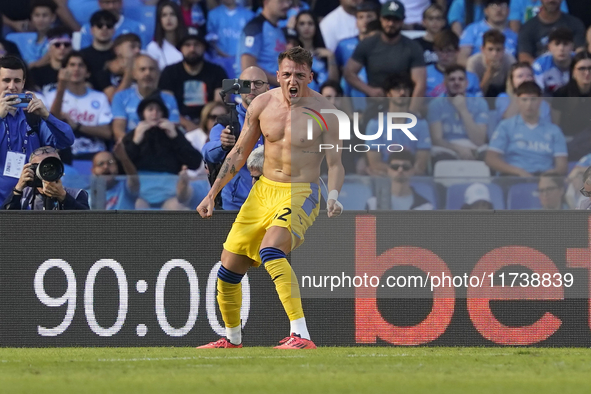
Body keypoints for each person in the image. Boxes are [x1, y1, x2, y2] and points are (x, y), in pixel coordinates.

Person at [196, 47, 345, 349]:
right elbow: (238, 153)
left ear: (310, 76)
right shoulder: (262, 105)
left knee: (271, 250)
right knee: (228, 267)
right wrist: (213, 193)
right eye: (287, 74)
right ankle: (232, 338)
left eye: (300, 75)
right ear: (277, 76)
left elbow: (336, 163)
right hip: (263, 191)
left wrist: (334, 194)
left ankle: (301, 334)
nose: (293, 80)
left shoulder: (326, 111)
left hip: (302, 190)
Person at [0, 56, 75, 203]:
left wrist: (47, 115)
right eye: (6, 80)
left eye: (17, 81)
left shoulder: (33, 116)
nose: (11, 86)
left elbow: (67, 140)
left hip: (30, 201)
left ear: (23, 83)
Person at [202, 66, 267, 210]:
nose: (252, 88)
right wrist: (222, 145)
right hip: (235, 206)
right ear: (238, 88)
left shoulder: (278, 120)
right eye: (246, 84)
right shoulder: (227, 121)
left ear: (267, 88)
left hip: (271, 203)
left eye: (258, 83)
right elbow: (207, 153)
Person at [122, 92, 202, 208]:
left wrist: (175, 137)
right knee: (137, 208)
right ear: (142, 113)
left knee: (176, 208)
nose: (155, 113)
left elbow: (195, 162)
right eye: (150, 109)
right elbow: (120, 166)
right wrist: (135, 141)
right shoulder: (133, 135)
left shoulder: (174, 134)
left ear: (164, 113)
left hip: (171, 192)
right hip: (140, 193)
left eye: (159, 110)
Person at [344, 1, 426, 100]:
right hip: (375, 105)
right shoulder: (368, 44)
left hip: (403, 103)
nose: (391, 23)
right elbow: (349, 72)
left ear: (402, 21)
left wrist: (411, 111)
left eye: (396, 20)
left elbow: (420, 84)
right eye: (387, 19)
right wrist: (369, 90)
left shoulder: (412, 47)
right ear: (381, 19)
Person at [486, 81, 567, 176]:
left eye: (533, 99)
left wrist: (545, 177)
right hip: (513, 178)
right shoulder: (505, 126)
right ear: (517, 101)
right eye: (524, 100)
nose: (529, 104)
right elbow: (490, 159)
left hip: (543, 181)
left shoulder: (554, 131)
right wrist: (518, 172)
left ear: (540, 100)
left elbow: (562, 167)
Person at [46, 51, 113, 161]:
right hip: (64, 155)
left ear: (88, 73)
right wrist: (61, 87)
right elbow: (52, 122)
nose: (76, 69)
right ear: (63, 71)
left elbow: (107, 132)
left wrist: (77, 126)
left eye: (81, 65)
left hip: (95, 155)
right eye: (72, 65)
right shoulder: (51, 96)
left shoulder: (100, 97)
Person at [159, 32, 226, 131]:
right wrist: (187, 124)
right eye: (187, 45)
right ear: (181, 48)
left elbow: (219, 104)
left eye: (196, 44)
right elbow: (167, 106)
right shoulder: (169, 72)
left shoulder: (217, 71)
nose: (192, 49)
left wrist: (204, 126)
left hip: (210, 124)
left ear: (204, 48)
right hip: (179, 125)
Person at [365, 74, 431, 175]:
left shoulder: (421, 124)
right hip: (384, 179)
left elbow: (421, 164)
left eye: (406, 89)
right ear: (388, 94)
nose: (402, 92)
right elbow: (375, 163)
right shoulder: (375, 124)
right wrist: (398, 172)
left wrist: (403, 173)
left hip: (413, 179)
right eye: (397, 89)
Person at [427, 65, 489, 161]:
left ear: (467, 83)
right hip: (447, 148)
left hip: (474, 146)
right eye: (452, 79)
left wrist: (463, 110)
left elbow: (479, 140)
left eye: (461, 79)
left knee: (487, 155)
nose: (457, 83)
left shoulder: (480, 103)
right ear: (445, 83)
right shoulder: (435, 105)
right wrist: (459, 149)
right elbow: (437, 139)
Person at [112, 54, 180, 140]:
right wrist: (132, 146)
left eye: (152, 69)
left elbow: (173, 130)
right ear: (134, 74)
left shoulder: (169, 99)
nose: (147, 73)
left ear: (158, 74)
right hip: (131, 147)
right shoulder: (120, 97)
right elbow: (118, 131)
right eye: (142, 69)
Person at [3, 146, 89, 210]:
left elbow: (87, 222)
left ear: (60, 168)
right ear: (31, 168)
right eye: (41, 166)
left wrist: (63, 196)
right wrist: (18, 188)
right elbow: (5, 223)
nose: (47, 170)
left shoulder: (76, 194)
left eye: (52, 166)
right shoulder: (23, 195)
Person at [236, 0, 289, 86]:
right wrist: (281, 82)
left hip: (275, 92)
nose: (287, 4)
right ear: (266, 2)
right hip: (256, 93)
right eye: (281, 1)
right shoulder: (255, 28)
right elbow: (248, 67)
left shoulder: (279, 30)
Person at [334, 2, 379, 99]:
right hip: (351, 96)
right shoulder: (343, 45)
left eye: (369, 16)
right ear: (356, 21)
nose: (365, 21)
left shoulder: (383, 44)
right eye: (361, 17)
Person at [551, 51, 591, 161]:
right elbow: (555, 126)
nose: (587, 72)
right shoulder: (561, 94)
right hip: (568, 142)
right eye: (582, 68)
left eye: (590, 68)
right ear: (573, 72)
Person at [517, 0, 585, 64]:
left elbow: (580, 53)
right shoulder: (528, 27)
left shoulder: (575, 24)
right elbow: (524, 57)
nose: (551, 0)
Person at [366, 150, 433, 210]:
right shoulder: (373, 202)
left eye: (405, 167)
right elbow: (362, 224)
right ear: (388, 170)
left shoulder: (425, 206)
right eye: (395, 167)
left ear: (412, 171)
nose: (400, 170)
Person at [427, 29, 482, 98]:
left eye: (449, 51)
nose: (444, 55)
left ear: (457, 51)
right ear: (435, 50)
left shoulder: (471, 78)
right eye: (441, 51)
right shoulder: (424, 74)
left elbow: (479, 104)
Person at [206, 0, 254, 78]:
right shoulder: (213, 14)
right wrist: (224, 55)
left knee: (242, 86)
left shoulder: (249, 15)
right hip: (220, 61)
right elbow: (212, 41)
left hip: (242, 61)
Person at [494, 62, 552, 126]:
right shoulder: (503, 98)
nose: (525, 80)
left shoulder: (542, 102)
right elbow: (507, 120)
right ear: (512, 81)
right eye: (520, 76)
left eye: (529, 76)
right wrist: (520, 93)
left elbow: (546, 127)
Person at [293, 10, 338, 92]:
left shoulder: (325, 53)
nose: (306, 27)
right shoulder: (291, 54)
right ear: (296, 26)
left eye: (310, 23)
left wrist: (331, 57)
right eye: (302, 24)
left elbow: (333, 84)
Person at [79, 0, 148, 50]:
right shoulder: (87, 29)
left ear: (121, 3)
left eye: (115, 2)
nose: (111, 6)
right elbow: (84, 56)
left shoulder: (137, 28)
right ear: (100, 3)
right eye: (107, 2)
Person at [5, 0, 56, 66]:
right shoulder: (30, 40)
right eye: (37, 15)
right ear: (31, 17)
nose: (40, 19)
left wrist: (30, 67)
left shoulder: (58, 38)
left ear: (53, 17)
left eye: (45, 15)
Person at [90, 141, 138, 210]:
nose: (106, 167)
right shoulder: (86, 194)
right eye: (100, 164)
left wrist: (123, 157)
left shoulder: (125, 187)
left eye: (110, 163)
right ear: (93, 170)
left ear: (117, 167)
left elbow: (133, 177)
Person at [467, 29, 516, 97]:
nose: (494, 54)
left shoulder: (510, 61)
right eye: (490, 49)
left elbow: (511, 92)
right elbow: (473, 95)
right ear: (483, 49)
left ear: (504, 50)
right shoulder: (473, 62)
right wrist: (489, 73)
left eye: (498, 50)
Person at [79, 10, 117, 91]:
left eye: (109, 26)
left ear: (114, 30)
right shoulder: (82, 55)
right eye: (99, 25)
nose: (104, 28)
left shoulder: (119, 55)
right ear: (92, 30)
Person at [29, 27, 72, 97]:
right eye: (57, 45)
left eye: (66, 45)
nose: (62, 48)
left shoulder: (76, 72)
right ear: (49, 47)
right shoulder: (36, 73)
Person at [99, 33, 142, 101]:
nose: (138, 51)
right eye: (132, 47)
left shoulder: (143, 70)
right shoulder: (105, 72)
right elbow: (113, 100)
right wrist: (129, 73)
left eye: (139, 47)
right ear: (117, 50)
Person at [532, 27, 573, 97]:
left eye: (565, 44)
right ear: (549, 47)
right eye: (557, 44)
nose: (561, 48)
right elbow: (538, 94)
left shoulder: (580, 62)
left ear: (572, 46)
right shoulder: (540, 65)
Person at [146, 1, 187, 71]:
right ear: (159, 20)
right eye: (164, 15)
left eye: (172, 14)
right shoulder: (153, 48)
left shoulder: (189, 45)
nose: (168, 18)